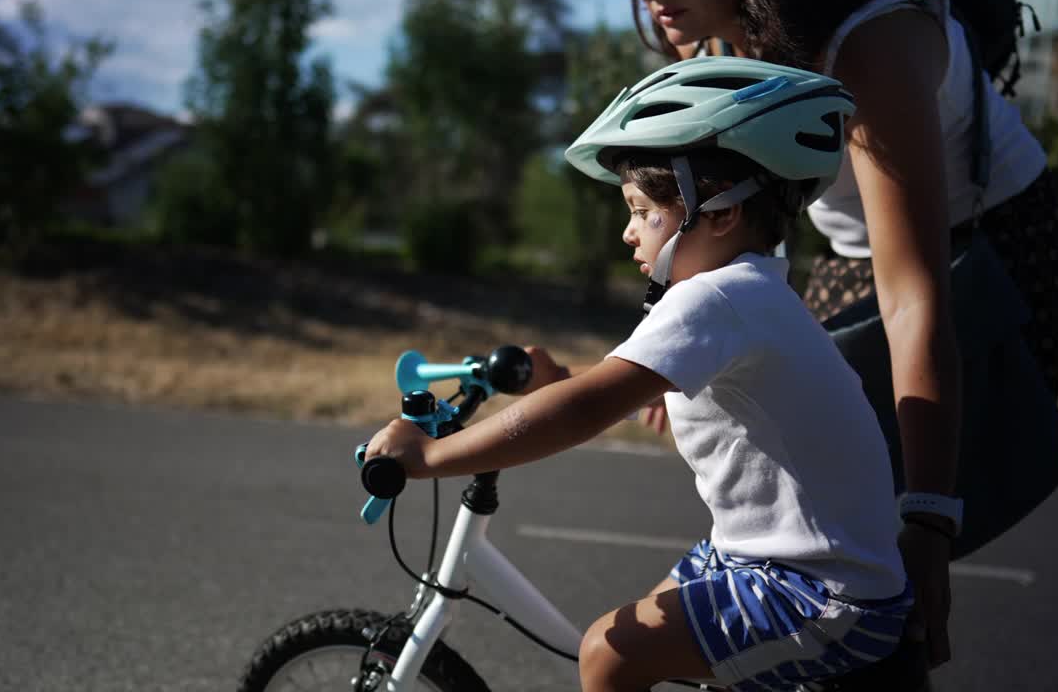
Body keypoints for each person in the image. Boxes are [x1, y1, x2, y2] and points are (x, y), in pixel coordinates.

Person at [365, 57, 915, 692]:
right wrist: (564, 377)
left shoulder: (715, 297)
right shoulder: (753, 292)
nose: (628, 232)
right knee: (641, 635)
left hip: (822, 591)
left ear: (721, 212)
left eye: (639, 208)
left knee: (609, 653)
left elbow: (584, 411)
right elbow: (629, 386)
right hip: (776, 560)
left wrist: (429, 456)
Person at [578, 0, 1058, 671]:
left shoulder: (868, 42)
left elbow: (913, 296)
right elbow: (736, 223)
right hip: (853, 254)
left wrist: (930, 518)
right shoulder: (712, 42)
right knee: (796, 518)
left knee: (876, 562)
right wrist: (673, 353)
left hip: (984, 247)